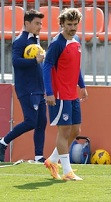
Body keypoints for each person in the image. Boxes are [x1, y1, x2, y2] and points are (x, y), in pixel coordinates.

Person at [42, 8, 88, 181]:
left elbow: (75, 67)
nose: (73, 28)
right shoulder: (57, 44)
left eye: (75, 24)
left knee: (76, 130)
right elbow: (46, 67)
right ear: (62, 24)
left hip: (72, 93)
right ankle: (67, 171)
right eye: (69, 24)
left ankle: (53, 160)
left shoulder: (76, 41)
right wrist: (49, 92)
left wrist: (82, 85)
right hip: (60, 94)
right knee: (64, 131)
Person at [0, 9, 46, 163]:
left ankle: (39, 156)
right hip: (27, 88)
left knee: (42, 122)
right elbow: (16, 62)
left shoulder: (35, 39)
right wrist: (35, 61)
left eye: (41, 23)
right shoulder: (20, 41)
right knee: (31, 122)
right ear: (27, 23)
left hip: (38, 88)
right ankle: (2, 142)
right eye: (37, 23)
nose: (40, 26)